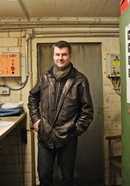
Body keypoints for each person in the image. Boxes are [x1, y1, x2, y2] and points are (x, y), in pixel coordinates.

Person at [28, 40, 94, 186]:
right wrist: (36, 120)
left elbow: (87, 110)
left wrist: (75, 130)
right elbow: (33, 97)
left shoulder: (80, 80)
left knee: (67, 178)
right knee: (44, 176)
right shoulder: (44, 77)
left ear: (69, 56)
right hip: (45, 135)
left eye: (64, 54)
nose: (60, 58)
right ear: (53, 56)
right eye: (57, 54)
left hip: (67, 137)